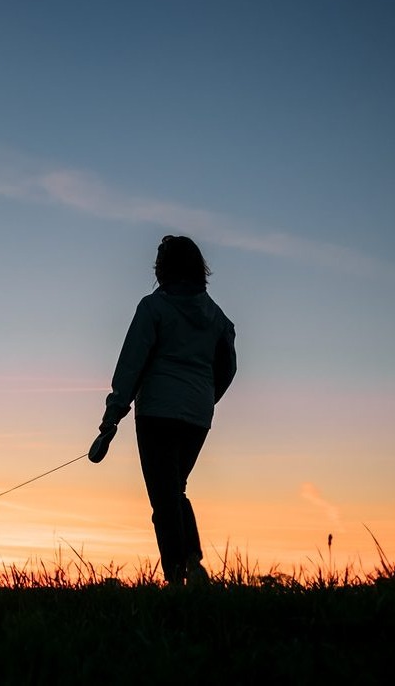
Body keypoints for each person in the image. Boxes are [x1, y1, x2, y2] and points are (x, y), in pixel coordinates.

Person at [90, 235, 236, 586]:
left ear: (164, 269)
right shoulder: (218, 318)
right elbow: (227, 368)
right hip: (198, 414)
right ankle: (192, 564)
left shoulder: (153, 308)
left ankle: (179, 574)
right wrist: (206, 399)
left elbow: (131, 363)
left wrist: (112, 415)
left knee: (164, 494)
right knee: (174, 489)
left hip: (158, 411)